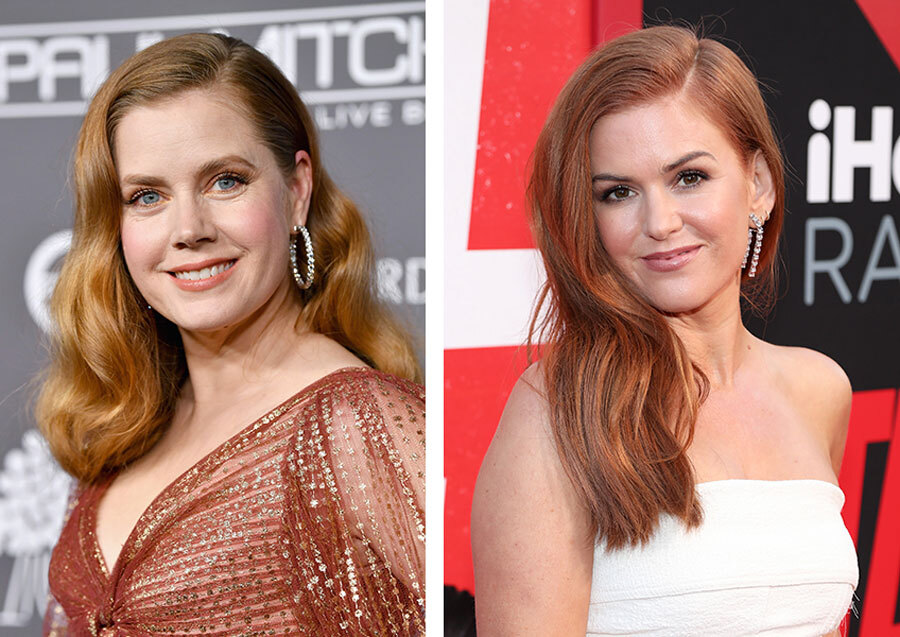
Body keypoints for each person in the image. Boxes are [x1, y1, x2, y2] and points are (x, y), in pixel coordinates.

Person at [471, 25, 857, 637]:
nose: (660, 222)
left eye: (689, 177)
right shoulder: (558, 411)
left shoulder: (820, 388)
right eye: (619, 192)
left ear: (757, 185)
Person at [37, 33, 424, 636]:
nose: (188, 229)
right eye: (147, 196)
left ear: (296, 191)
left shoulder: (356, 423)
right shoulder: (128, 425)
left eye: (225, 181)